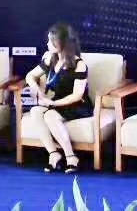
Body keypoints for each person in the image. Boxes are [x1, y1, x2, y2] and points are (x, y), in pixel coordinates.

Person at [23, 22, 92, 173]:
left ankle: (71, 157)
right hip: (56, 102)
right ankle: (53, 154)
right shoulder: (50, 59)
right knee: (35, 111)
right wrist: (35, 88)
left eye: (51, 40)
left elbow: (77, 95)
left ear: (63, 43)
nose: (48, 43)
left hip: (77, 104)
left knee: (50, 116)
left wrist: (51, 103)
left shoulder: (79, 64)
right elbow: (30, 76)